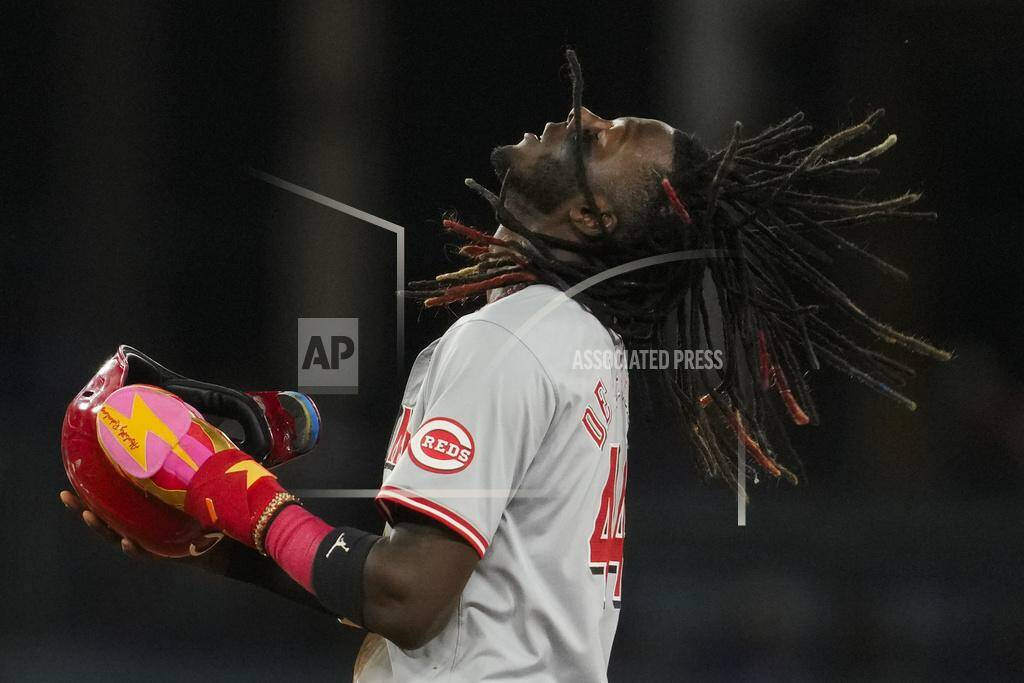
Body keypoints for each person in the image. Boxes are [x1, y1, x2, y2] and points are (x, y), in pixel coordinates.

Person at [60, 51, 947, 682]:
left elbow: (409, 600)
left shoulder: (514, 340)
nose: (587, 118)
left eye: (606, 141)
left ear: (596, 224)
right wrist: (213, 544)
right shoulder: (580, 347)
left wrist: (227, 487)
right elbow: (417, 606)